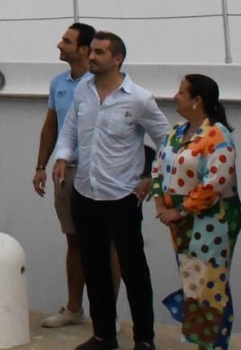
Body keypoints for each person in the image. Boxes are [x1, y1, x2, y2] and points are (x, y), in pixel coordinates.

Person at [51, 31, 170, 350]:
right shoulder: (83, 91)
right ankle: (104, 335)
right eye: (92, 51)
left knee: (134, 270)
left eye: (100, 52)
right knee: (94, 268)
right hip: (85, 193)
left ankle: (144, 339)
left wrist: (152, 177)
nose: (92, 57)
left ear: (118, 59)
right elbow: (69, 130)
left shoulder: (139, 98)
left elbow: (166, 140)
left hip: (121, 197)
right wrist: (62, 157)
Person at [151, 74, 241, 349]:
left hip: (212, 219)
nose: (175, 97)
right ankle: (204, 342)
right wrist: (160, 203)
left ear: (197, 101)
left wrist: (181, 210)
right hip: (179, 220)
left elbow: (215, 182)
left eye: (181, 92)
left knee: (211, 282)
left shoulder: (217, 135)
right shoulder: (176, 133)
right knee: (193, 280)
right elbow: (158, 167)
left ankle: (214, 344)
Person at [33, 22, 98, 329]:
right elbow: (52, 125)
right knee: (73, 239)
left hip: (97, 172)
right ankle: (74, 308)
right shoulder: (58, 82)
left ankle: (106, 313)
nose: (59, 45)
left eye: (67, 41)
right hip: (66, 171)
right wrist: (40, 165)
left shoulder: (98, 83)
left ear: (84, 49)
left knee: (106, 243)